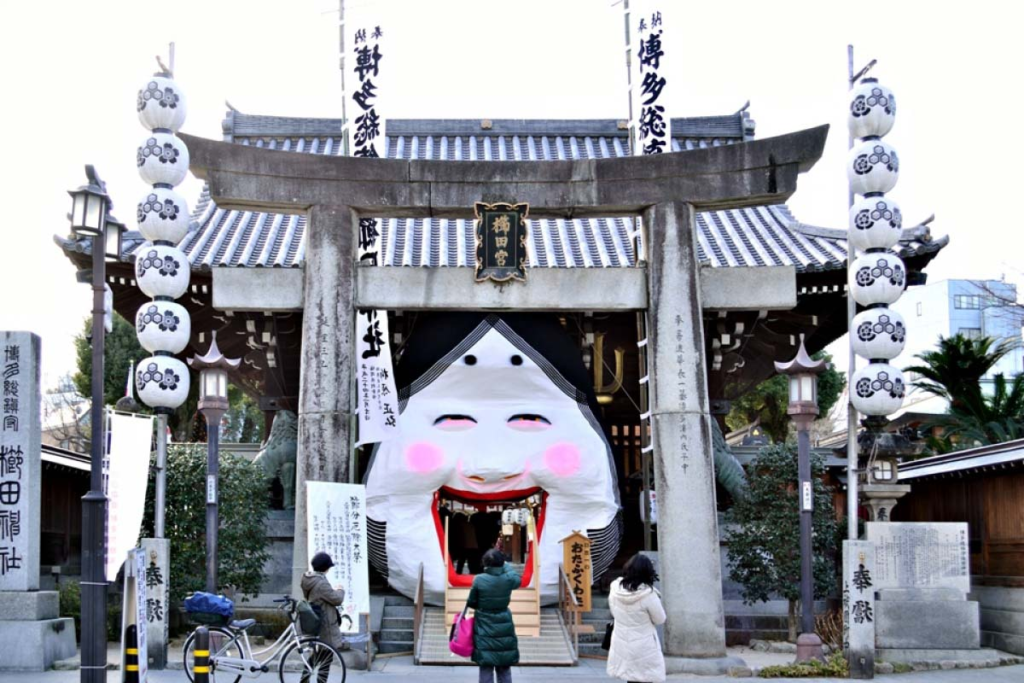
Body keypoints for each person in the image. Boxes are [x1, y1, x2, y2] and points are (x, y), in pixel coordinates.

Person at [607, 554, 667, 683]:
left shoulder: (615, 589)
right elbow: (660, 619)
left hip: (622, 640)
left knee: (630, 677)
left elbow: (614, 612)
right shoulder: (648, 594)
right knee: (646, 677)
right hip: (644, 644)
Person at [467, 548, 521, 683]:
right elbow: (517, 580)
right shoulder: (508, 579)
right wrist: (506, 566)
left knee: (486, 665)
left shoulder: (479, 579)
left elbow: (471, 602)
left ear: (485, 563)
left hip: (484, 623)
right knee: (504, 665)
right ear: (502, 563)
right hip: (504, 620)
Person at [300, 551, 347, 653]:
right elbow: (337, 599)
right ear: (326, 567)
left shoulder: (308, 579)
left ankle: (308, 669)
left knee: (319, 654)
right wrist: (340, 590)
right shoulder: (321, 583)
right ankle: (310, 669)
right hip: (325, 619)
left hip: (316, 617)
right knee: (326, 654)